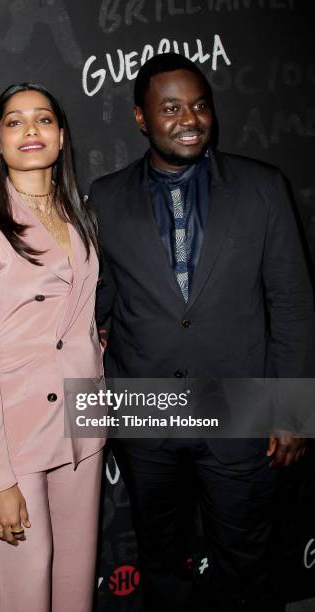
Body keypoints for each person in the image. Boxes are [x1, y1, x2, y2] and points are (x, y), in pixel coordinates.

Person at [89, 53, 314, 612]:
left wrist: (292, 410)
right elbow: (98, 308)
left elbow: (292, 305)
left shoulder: (264, 187)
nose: (189, 118)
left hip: (240, 408)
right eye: (170, 108)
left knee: (246, 564)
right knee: (160, 561)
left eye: (199, 105)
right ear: (141, 117)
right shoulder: (106, 197)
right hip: (146, 408)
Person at [0, 82, 105, 612]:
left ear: (61, 138)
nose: (30, 130)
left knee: (75, 580)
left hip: (83, 424)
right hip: (16, 435)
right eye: (14, 122)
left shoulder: (79, 215)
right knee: (23, 589)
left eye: (42, 119)